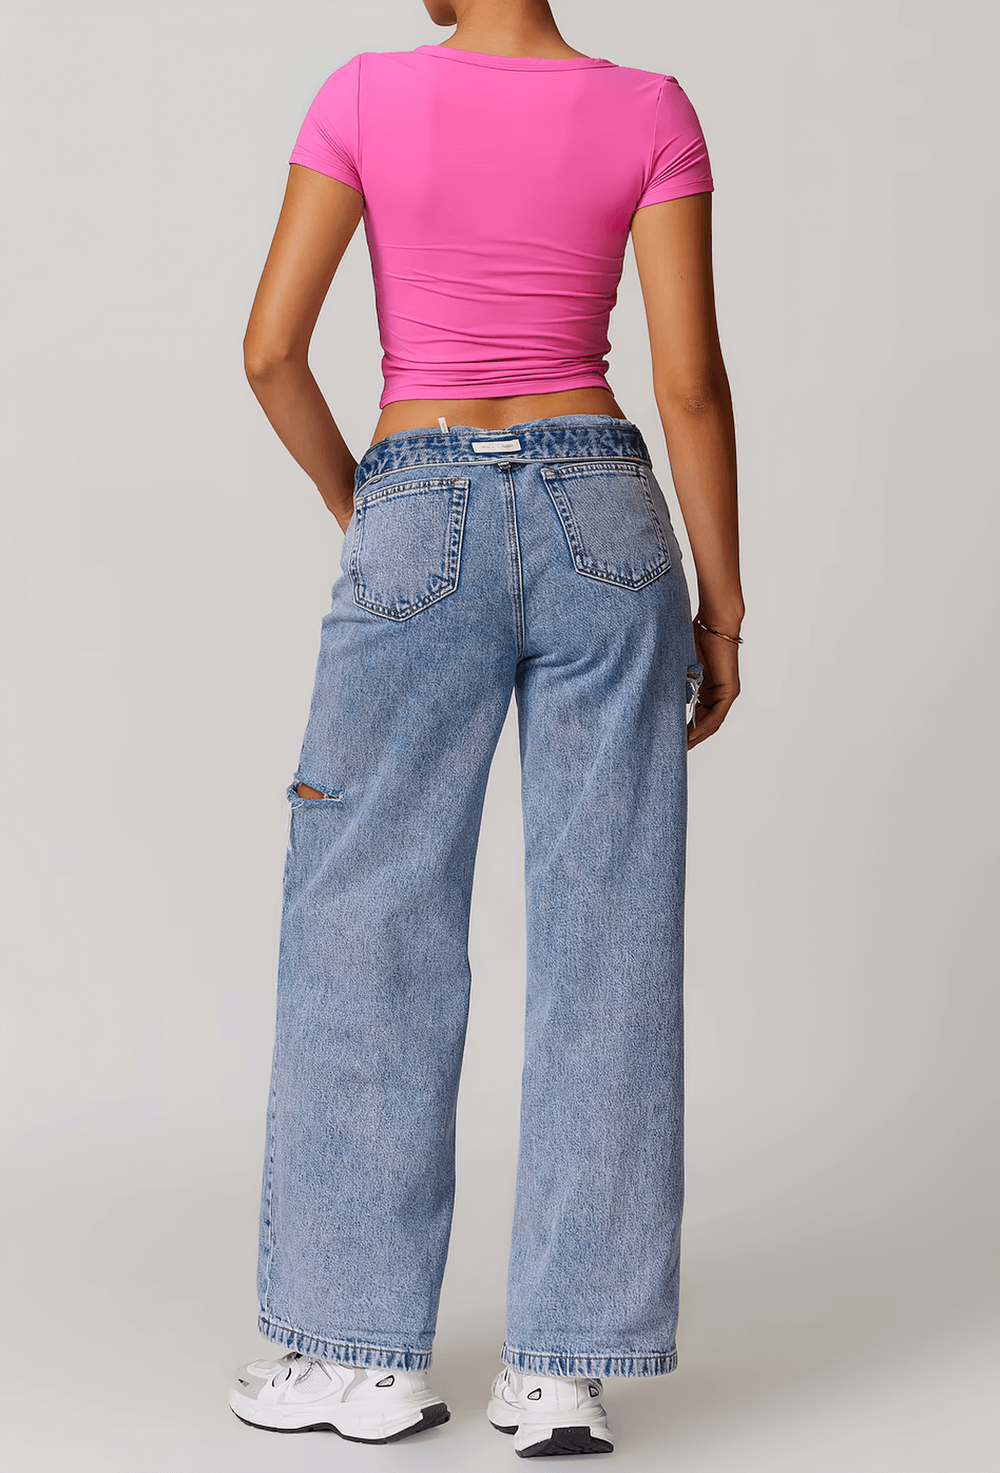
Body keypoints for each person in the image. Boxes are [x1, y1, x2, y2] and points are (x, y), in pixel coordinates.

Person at [231, 0, 742, 1457]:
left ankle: (357, 1361)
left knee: (366, 920)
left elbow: (270, 353)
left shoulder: (363, 94)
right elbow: (690, 384)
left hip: (418, 486)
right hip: (607, 520)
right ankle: (562, 1375)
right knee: (609, 939)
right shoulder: (651, 107)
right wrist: (721, 606)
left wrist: (371, 505)